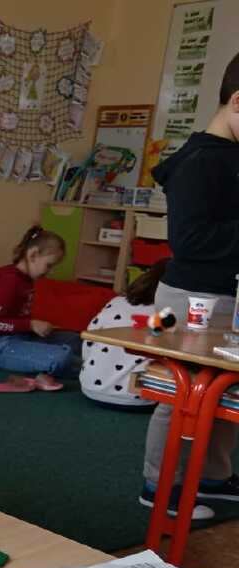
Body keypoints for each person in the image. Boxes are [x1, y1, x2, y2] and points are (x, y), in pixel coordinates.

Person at [142, 52, 239, 515]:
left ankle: (213, 477)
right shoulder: (199, 161)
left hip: (226, 296)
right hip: (189, 298)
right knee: (179, 393)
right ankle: (160, 485)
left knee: (226, 390)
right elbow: (189, 240)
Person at [0, 225, 79, 392]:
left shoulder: (26, 278)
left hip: (23, 336)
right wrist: (30, 324)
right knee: (62, 357)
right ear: (33, 255)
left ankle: (90, 361)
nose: (51, 272)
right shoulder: (8, 281)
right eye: (49, 265)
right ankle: (90, 369)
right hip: (0, 346)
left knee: (75, 339)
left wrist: (31, 326)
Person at [80, 259, 167, 407]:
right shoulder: (168, 314)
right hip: (138, 397)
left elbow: (89, 341)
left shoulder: (116, 302)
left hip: (90, 387)